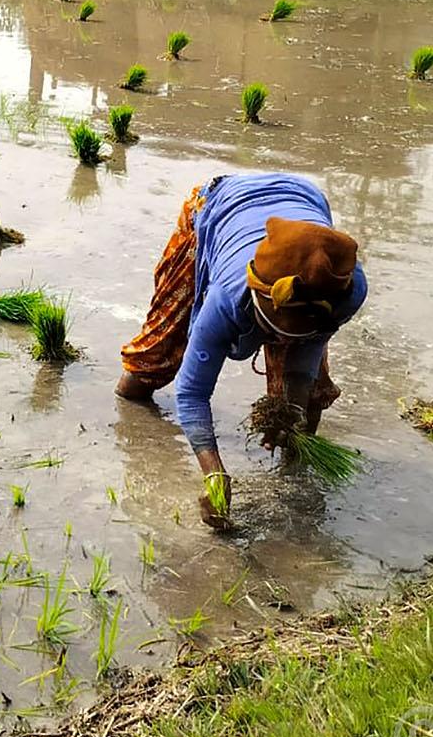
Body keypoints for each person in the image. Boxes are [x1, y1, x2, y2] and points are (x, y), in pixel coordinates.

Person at [116, 173, 366, 528]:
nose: (282, 341)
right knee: (155, 355)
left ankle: (294, 497)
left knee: (308, 403)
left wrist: (291, 409)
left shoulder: (345, 288)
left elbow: (308, 352)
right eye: (275, 329)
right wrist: (214, 474)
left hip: (304, 212)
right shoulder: (227, 296)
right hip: (217, 204)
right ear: (257, 299)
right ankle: (130, 405)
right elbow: (191, 393)